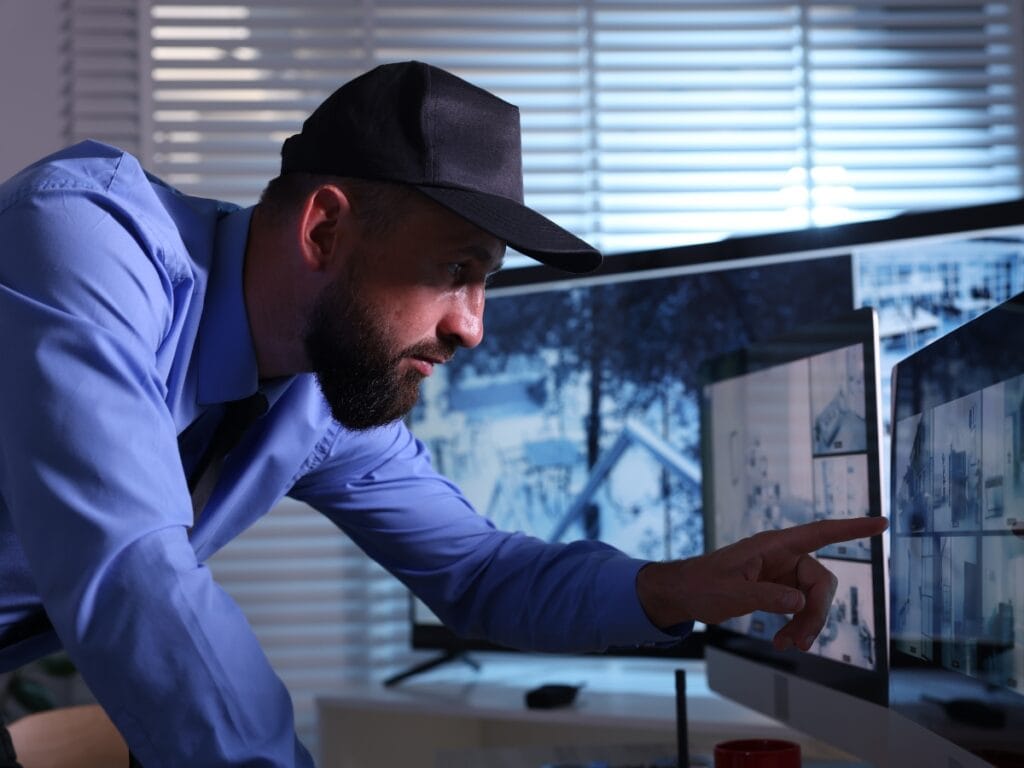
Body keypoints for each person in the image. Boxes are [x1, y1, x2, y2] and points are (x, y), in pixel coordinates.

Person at [0, 60, 887, 766]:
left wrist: (676, 587)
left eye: (487, 283)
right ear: (323, 231)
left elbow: (480, 574)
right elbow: (132, 571)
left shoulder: (320, 395)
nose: (473, 328)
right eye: (456, 272)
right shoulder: (87, 243)